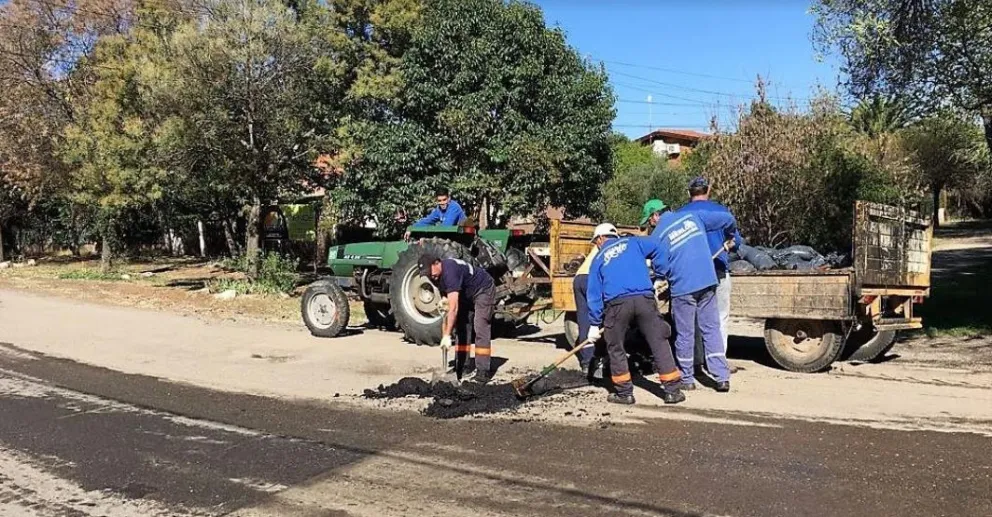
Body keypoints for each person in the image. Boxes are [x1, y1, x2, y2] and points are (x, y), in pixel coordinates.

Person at [641, 199, 737, 392]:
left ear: (656, 215)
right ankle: (722, 378)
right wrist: (730, 235)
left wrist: (660, 278)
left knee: (685, 333)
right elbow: (728, 219)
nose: (650, 225)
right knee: (711, 329)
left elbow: (661, 265)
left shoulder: (659, 234)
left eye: (649, 221)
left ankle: (687, 379)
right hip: (707, 281)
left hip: (683, 287)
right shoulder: (693, 216)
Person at [586, 223, 685, 405]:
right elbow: (660, 246)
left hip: (616, 305)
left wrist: (594, 323)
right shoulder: (634, 242)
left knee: (615, 346)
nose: (596, 246)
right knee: (659, 341)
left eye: (595, 242)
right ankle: (672, 391)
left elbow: (594, 294)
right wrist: (660, 274)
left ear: (600, 239)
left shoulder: (598, 259)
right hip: (644, 299)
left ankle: (624, 394)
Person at [677, 177, 743, 369]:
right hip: (718, 271)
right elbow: (736, 241)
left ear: (688, 192)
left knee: (692, 320)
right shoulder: (721, 212)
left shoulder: (679, 215)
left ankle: (696, 361)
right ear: (708, 190)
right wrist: (730, 244)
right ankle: (717, 363)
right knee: (719, 318)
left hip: (690, 275)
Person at [419, 253, 495, 383]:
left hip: (483, 289)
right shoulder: (435, 276)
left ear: (437, 263)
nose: (430, 276)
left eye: (430, 272)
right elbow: (447, 305)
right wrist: (444, 305)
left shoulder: (450, 271)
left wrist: (447, 335)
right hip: (466, 293)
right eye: (426, 274)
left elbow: (453, 308)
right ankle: (462, 366)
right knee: (462, 326)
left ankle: (483, 371)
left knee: (480, 325)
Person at [572, 244, 603, 378]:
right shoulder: (617, 245)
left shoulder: (600, 243)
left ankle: (586, 363)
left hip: (579, 278)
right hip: (592, 278)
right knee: (603, 318)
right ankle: (600, 360)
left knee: (584, 321)